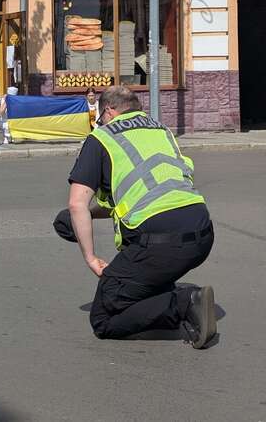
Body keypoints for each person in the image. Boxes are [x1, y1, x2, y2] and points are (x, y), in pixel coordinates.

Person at [64, 85, 216, 349]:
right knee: (145, 271)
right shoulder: (161, 130)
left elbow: (77, 204)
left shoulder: (102, 138)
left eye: (100, 118)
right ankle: (165, 293)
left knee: (103, 318)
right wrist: (87, 216)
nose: (100, 123)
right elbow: (141, 195)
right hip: (202, 232)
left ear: (109, 111)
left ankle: (184, 303)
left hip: (159, 242)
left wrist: (91, 258)